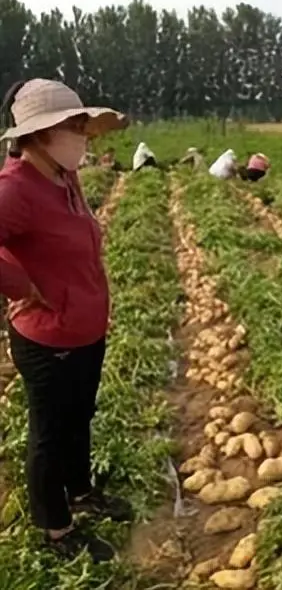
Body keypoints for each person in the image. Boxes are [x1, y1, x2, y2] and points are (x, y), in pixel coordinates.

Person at [0, 78, 133, 564]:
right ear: (40, 135)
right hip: (47, 338)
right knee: (49, 433)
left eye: (83, 126)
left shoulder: (64, 175)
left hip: (84, 330)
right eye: (75, 127)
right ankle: (55, 530)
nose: (85, 136)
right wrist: (22, 287)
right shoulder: (15, 189)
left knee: (79, 419)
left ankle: (81, 492)